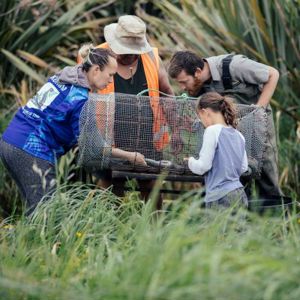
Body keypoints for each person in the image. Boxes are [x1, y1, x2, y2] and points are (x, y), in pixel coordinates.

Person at [0, 45, 146, 215]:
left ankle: (28, 240)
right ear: (97, 70)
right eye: (110, 74)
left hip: (9, 142)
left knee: (35, 212)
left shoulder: (67, 75)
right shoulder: (81, 100)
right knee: (47, 215)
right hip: (31, 150)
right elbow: (96, 147)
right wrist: (130, 156)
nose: (111, 81)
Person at [78, 15, 182, 208]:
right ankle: (108, 232)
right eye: (124, 51)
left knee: (151, 183)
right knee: (111, 186)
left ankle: (154, 231)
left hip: (147, 138)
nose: (128, 56)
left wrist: (175, 130)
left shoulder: (151, 57)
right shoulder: (95, 57)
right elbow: (81, 95)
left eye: (133, 52)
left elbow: (167, 93)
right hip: (109, 139)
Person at [168, 51, 282, 202]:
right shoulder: (196, 89)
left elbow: (273, 75)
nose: (182, 88)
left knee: (267, 180)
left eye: (183, 82)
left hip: (258, 131)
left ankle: (278, 218)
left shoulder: (234, 66)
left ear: (197, 72)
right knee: (234, 181)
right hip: (227, 139)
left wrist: (258, 110)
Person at [185, 92, 248, 208]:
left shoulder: (212, 131)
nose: (202, 123)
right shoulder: (239, 135)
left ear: (205, 112)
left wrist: (190, 161)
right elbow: (243, 167)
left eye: (200, 118)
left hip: (220, 197)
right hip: (239, 194)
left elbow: (203, 166)